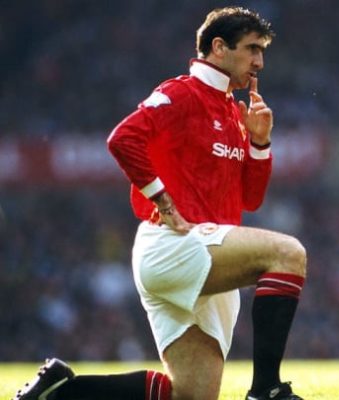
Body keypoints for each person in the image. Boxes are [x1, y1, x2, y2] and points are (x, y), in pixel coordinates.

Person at [15, 6, 307, 400]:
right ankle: (267, 390)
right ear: (219, 47)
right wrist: (163, 200)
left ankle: (60, 392)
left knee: (190, 395)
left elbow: (250, 200)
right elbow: (122, 139)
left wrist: (259, 142)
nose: (260, 62)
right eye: (252, 49)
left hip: (208, 253)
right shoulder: (182, 92)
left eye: (262, 51)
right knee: (288, 254)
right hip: (174, 246)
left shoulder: (232, 111)